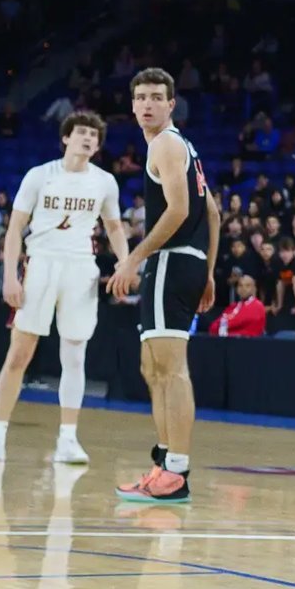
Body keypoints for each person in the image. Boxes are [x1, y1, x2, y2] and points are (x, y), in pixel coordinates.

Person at [0, 112, 124, 466]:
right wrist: (10, 277)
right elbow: (14, 231)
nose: (88, 138)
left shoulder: (105, 182)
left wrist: (126, 262)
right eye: (82, 133)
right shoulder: (39, 175)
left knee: (74, 356)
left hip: (81, 270)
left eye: (94, 135)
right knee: (19, 355)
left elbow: (115, 228)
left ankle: (68, 440)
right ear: (66, 138)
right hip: (40, 264)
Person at [107, 69, 220, 505]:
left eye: (157, 97)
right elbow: (211, 214)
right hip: (185, 265)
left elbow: (178, 211)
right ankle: (165, 462)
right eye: (140, 97)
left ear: (172, 105)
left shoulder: (166, 144)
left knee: (170, 372)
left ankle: (175, 472)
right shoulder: (183, 148)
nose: (148, 104)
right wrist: (207, 271)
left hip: (170, 263)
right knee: (151, 368)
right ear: (132, 105)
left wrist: (134, 258)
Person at [215, 274, 267, 338]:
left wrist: (224, 325)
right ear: (237, 289)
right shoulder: (233, 306)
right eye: (240, 285)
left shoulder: (258, 305)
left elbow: (240, 321)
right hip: (229, 342)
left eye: (247, 285)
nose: (243, 288)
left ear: (254, 288)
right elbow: (213, 327)